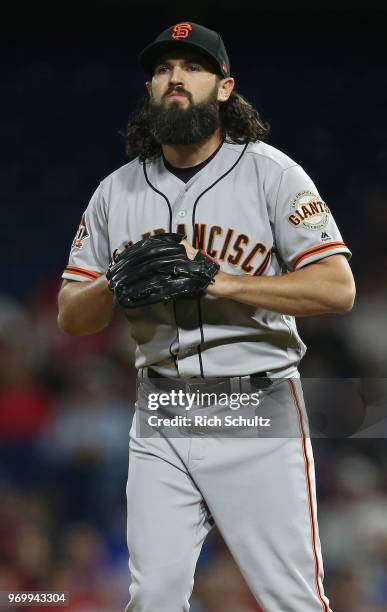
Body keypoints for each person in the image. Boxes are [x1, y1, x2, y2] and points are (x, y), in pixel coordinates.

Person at [57, 21, 356, 612]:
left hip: (255, 404)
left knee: (290, 599)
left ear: (224, 88)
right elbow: (73, 316)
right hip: (161, 408)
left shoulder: (273, 173)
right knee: (153, 598)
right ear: (150, 89)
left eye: (192, 68)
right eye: (164, 69)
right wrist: (113, 285)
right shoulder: (115, 192)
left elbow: (336, 287)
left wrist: (223, 279)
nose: (176, 78)